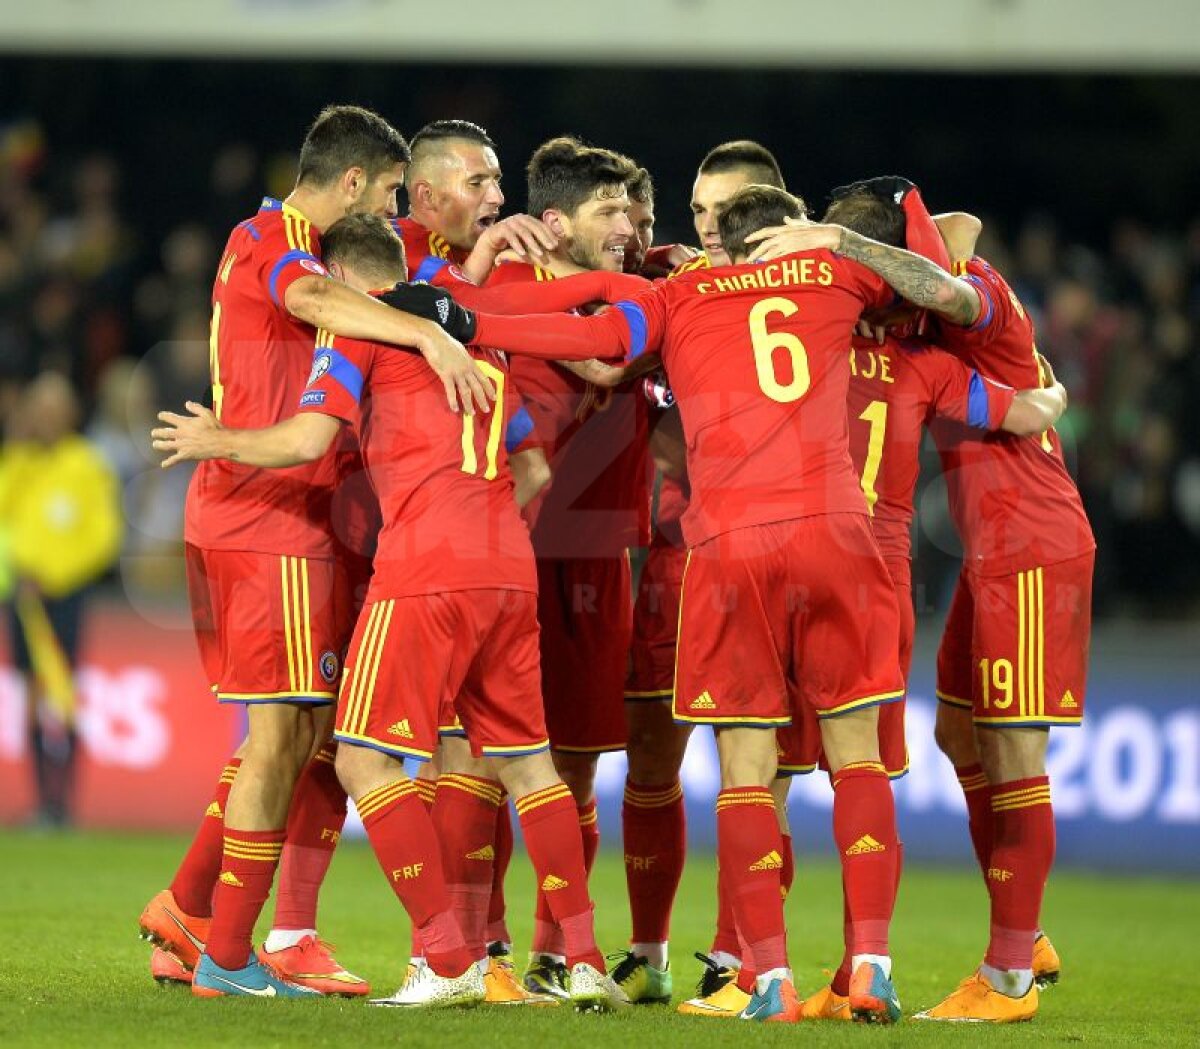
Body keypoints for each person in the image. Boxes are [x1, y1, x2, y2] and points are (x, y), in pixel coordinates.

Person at [152, 211, 630, 1012]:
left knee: (360, 759)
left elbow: (308, 440)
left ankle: (446, 955)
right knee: (529, 765)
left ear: (342, 282)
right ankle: (582, 958)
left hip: (424, 568)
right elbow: (536, 466)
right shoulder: (480, 334)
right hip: (507, 564)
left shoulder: (360, 332)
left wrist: (220, 439)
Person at [458, 183, 912, 1024]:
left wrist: (472, 320)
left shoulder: (681, 294)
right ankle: (873, 964)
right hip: (840, 534)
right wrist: (843, 244)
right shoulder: (833, 275)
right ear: (786, 235)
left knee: (743, 766)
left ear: (725, 245)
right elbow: (949, 284)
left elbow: (591, 338)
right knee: (857, 757)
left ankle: (767, 979)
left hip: (733, 544)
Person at [138, 104, 493, 1001]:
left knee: (300, 732)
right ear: (347, 184)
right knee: (280, 739)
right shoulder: (277, 237)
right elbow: (308, 298)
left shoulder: (274, 236)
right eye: (379, 194)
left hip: (290, 520)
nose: (386, 212)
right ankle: (227, 949)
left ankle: (191, 909)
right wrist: (421, 326)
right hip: (272, 517)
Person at [746, 180, 1094, 1023]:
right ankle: (1028, 927)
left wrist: (836, 241)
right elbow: (946, 233)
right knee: (956, 730)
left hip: (1032, 544)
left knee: (1014, 751)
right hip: (990, 551)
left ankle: (1010, 972)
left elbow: (941, 270)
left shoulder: (981, 300)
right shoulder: (920, 329)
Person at [0, 372, 122, 827]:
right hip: (23, 597)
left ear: (71, 414)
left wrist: (55, 576)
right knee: (31, 693)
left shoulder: (87, 465)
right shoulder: (18, 461)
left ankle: (64, 802)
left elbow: (102, 537)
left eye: (55, 409)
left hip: (65, 596)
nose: (47, 418)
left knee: (64, 691)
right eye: (40, 409)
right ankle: (41, 802)